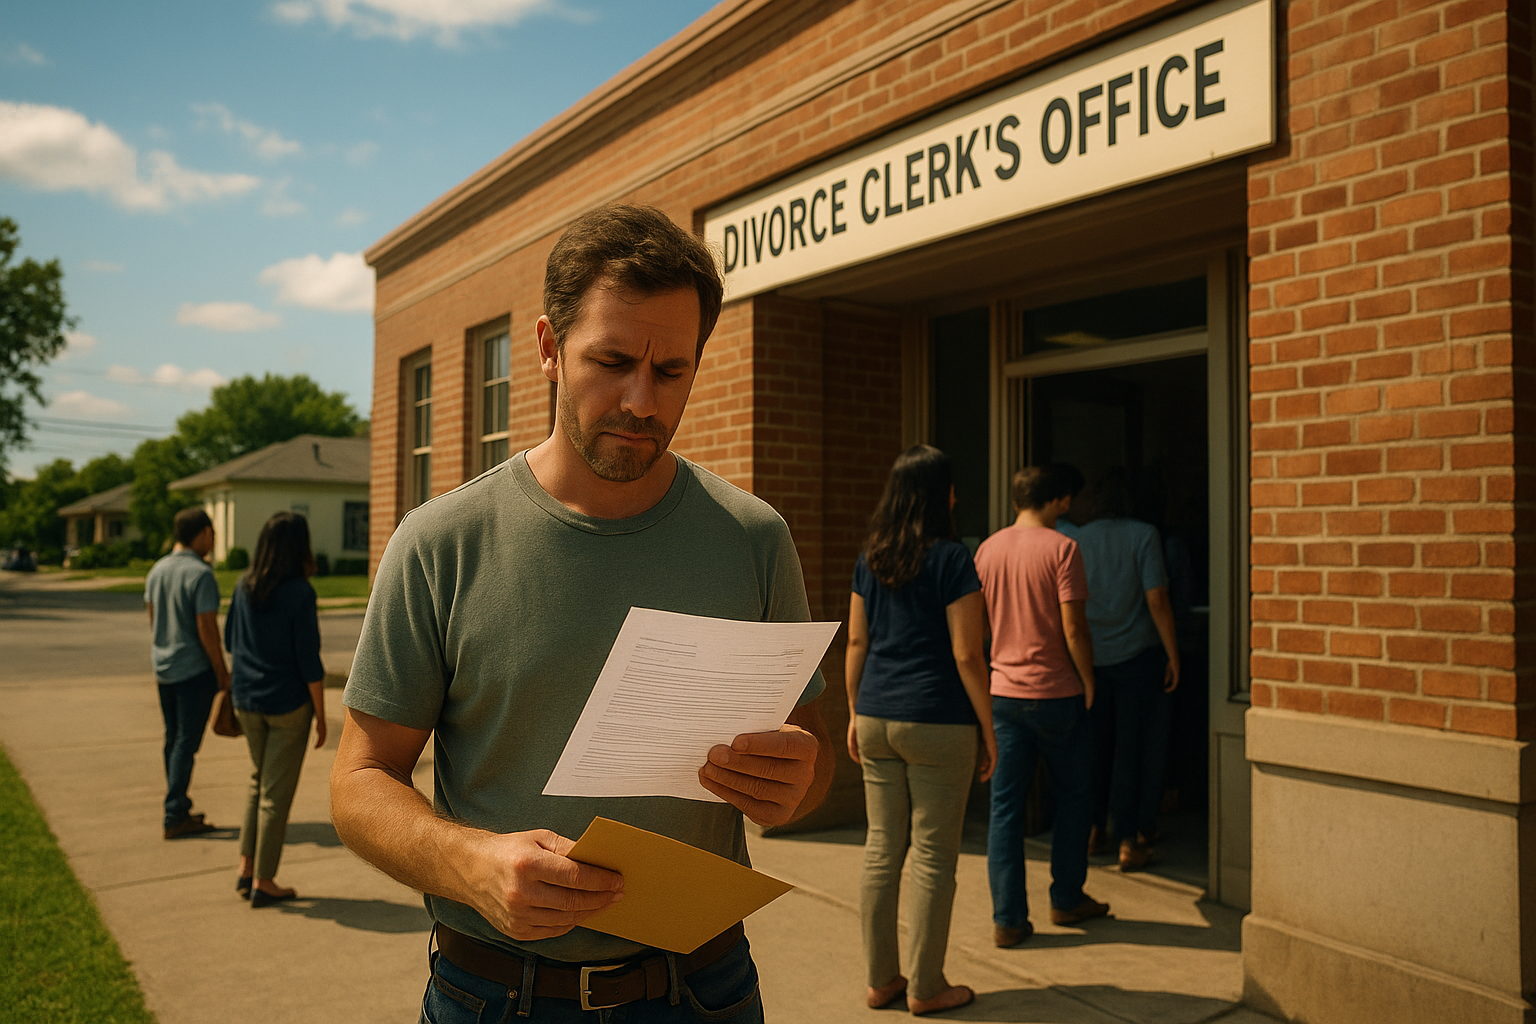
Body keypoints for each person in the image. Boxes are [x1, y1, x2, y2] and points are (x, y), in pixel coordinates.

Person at [330, 204, 833, 1024]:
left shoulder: (752, 538)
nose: (641, 400)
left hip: (704, 988)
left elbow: (808, 770)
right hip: (495, 994)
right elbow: (358, 781)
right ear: (547, 348)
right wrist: (471, 863)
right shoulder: (440, 543)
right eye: (612, 360)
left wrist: (797, 788)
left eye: (672, 371)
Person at [845, 445, 997, 1016]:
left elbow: (857, 642)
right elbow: (967, 654)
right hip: (938, 722)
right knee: (934, 856)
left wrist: (856, 712)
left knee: (882, 850)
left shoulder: (872, 557)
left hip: (879, 715)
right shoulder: (954, 558)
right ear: (942, 496)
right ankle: (926, 988)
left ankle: (882, 979)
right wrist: (989, 727)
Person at [974, 465, 1107, 948]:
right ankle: (1067, 897)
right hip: (1056, 694)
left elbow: (982, 623)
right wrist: (1088, 680)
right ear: (1056, 502)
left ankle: (1008, 918)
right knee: (1074, 796)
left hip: (1004, 693)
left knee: (1005, 810)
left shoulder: (988, 549)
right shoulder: (1063, 549)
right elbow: (1074, 628)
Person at [1059, 469, 1178, 871]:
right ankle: (1130, 837)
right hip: (1136, 656)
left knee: (1093, 748)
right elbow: (1157, 599)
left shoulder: (1075, 540)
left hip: (1091, 657)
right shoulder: (1143, 535)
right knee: (1132, 749)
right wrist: (1173, 653)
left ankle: (1093, 829)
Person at [223, 511, 328, 907]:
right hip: (287, 704)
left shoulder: (242, 586)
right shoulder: (300, 592)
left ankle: (246, 867)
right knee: (274, 794)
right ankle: (264, 881)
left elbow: (231, 640)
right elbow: (308, 660)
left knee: (256, 783)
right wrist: (320, 715)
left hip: (246, 699)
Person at [143, 506, 228, 839]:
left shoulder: (157, 571)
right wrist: (222, 672)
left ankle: (178, 804)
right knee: (185, 744)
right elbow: (207, 628)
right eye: (213, 535)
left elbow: (153, 620)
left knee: (172, 739)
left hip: (163, 668)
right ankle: (175, 812)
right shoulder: (200, 574)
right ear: (204, 533)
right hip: (193, 671)